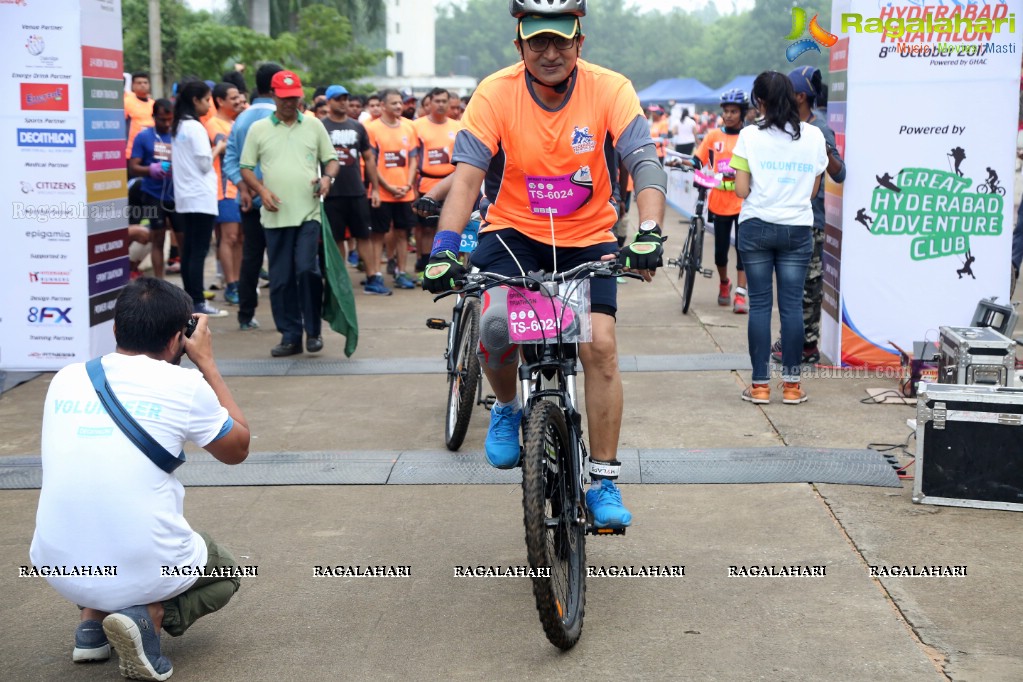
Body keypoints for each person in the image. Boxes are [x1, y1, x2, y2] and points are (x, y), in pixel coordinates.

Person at [423, 0, 667, 529]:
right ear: (520, 47)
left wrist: (648, 232)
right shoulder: (495, 91)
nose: (550, 52)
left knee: (599, 347)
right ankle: (508, 406)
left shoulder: (610, 88)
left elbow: (644, 161)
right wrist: (444, 246)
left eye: (561, 40)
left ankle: (602, 478)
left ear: (581, 42)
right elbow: (467, 178)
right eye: (538, 42)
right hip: (514, 235)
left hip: (588, 238)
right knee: (493, 325)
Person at [29, 277, 249, 680]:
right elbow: (237, 448)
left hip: (59, 566)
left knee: (97, 514)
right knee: (228, 571)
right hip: (140, 563)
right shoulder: (184, 385)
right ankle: (145, 614)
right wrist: (207, 363)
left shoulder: (66, 377)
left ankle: (91, 626)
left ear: (115, 330)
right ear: (177, 340)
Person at [731, 71, 827, 405]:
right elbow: (814, 189)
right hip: (797, 229)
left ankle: (759, 386)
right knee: (791, 307)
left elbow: (741, 190)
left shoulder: (748, 136)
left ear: (760, 101)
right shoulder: (814, 136)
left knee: (759, 305)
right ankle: (791, 386)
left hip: (756, 226)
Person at [240, 70, 340, 357]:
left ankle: (313, 332)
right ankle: (290, 336)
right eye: (284, 98)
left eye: (294, 98)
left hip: (309, 213)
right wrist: (261, 190)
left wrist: (326, 180)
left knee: (307, 269)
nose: (289, 103)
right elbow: (245, 167)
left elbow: (331, 161)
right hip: (274, 215)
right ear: (273, 96)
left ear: (300, 97)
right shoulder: (258, 129)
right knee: (281, 278)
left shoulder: (313, 126)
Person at [770, 66, 847, 366]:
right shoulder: (783, 127)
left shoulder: (820, 129)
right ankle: (793, 340)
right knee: (790, 287)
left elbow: (840, 173)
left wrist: (825, 151)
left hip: (811, 221)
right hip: (785, 217)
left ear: (800, 96)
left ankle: (807, 345)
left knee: (809, 287)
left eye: (787, 90)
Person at [223, 62, 285, 331]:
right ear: (275, 87)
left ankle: (246, 315)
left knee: (251, 258)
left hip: (248, 201)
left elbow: (230, 161)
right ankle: (287, 319)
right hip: (280, 201)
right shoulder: (284, 117)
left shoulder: (241, 119)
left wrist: (244, 188)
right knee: (281, 260)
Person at [320, 85, 385, 294]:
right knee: (337, 238)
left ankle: (373, 277)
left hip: (356, 190)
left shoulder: (357, 127)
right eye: (338, 99)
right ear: (328, 101)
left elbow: (369, 159)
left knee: (363, 236)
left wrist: (375, 189)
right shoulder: (320, 127)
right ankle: (340, 280)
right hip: (331, 193)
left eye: (345, 98)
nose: (343, 102)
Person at [172, 80, 229, 317]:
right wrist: (220, 147)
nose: (209, 104)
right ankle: (197, 301)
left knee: (190, 251)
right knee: (198, 250)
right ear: (196, 101)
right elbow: (205, 163)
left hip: (186, 196)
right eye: (207, 100)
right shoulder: (195, 127)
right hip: (200, 195)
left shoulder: (179, 127)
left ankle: (191, 300)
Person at [695, 89, 750, 313]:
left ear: (743, 113)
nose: (728, 115)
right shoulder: (713, 136)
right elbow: (698, 160)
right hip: (719, 202)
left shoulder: (749, 137)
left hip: (744, 202)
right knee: (720, 252)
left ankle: (740, 294)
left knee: (743, 250)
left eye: (734, 112)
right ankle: (724, 282)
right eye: (726, 111)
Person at [365, 88, 420, 290]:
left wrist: (407, 184)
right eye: (394, 103)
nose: (399, 106)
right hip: (382, 193)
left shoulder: (408, 128)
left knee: (403, 234)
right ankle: (376, 274)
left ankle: (401, 272)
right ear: (382, 106)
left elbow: (413, 159)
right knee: (378, 234)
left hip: (405, 193)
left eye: (400, 103)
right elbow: (370, 161)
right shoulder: (372, 129)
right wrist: (385, 186)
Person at [412, 87, 462, 281]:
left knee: (452, 225)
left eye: (444, 101)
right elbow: (412, 158)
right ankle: (425, 267)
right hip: (425, 183)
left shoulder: (457, 126)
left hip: (454, 183)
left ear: (449, 103)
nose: (441, 104)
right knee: (426, 228)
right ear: (429, 103)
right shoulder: (417, 126)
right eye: (437, 101)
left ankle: (452, 269)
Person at [129, 98, 177, 280]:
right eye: (162, 120)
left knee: (183, 238)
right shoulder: (144, 137)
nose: (166, 124)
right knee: (158, 239)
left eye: (170, 119)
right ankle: (159, 282)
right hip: (153, 194)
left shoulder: (178, 135)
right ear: (153, 117)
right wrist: (151, 169)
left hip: (177, 194)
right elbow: (133, 167)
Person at [206, 82, 244, 306]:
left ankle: (237, 281)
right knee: (229, 238)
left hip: (241, 187)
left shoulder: (236, 122)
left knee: (240, 238)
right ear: (220, 101)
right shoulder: (214, 123)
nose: (238, 101)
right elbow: (224, 144)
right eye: (233, 98)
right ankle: (230, 284)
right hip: (224, 190)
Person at [125, 71, 154, 160]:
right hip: (131, 152)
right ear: (133, 85)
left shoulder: (153, 104)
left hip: (150, 150)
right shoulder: (127, 102)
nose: (143, 85)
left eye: (145, 83)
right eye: (139, 83)